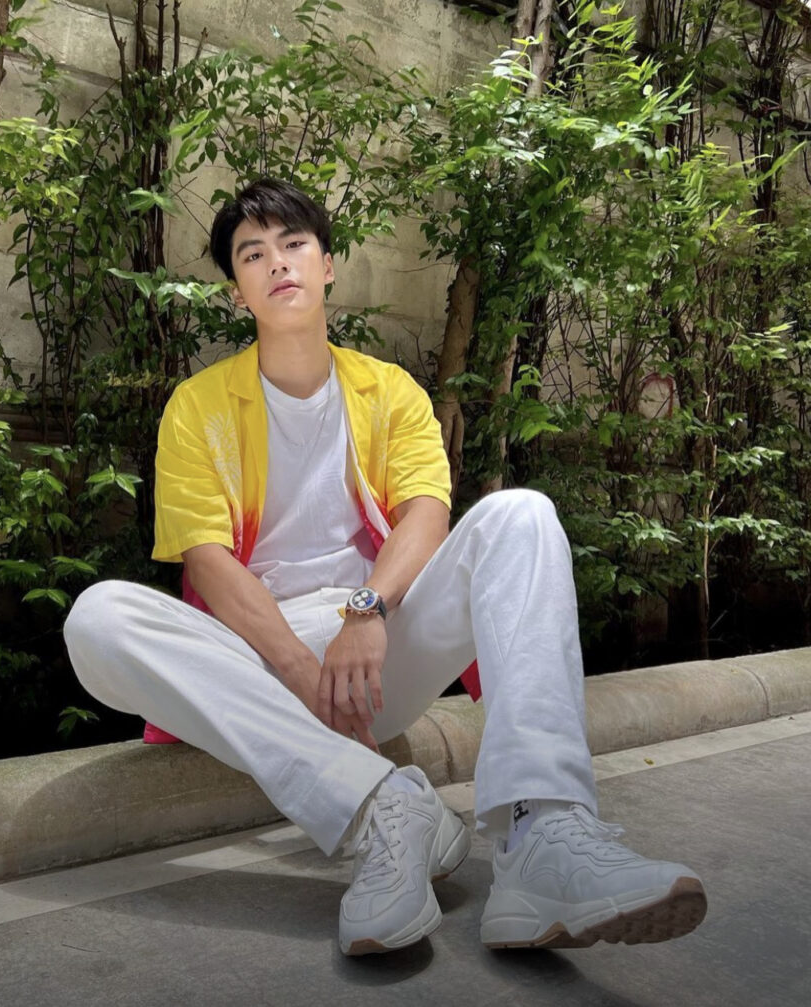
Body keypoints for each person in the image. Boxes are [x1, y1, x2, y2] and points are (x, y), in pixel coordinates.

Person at [63, 179, 707, 955]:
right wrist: (303, 671)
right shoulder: (197, 407)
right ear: (237, 291)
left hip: (373, 654)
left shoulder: (389, 391)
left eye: (294, 244)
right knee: (97, 618)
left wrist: (366, 610)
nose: (278, 263)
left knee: (521, 513)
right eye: (253, 254)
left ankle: (543, 835)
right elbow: (208, 562)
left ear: (328, 264)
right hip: (260, 657)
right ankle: (386, 804)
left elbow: (427, 515)